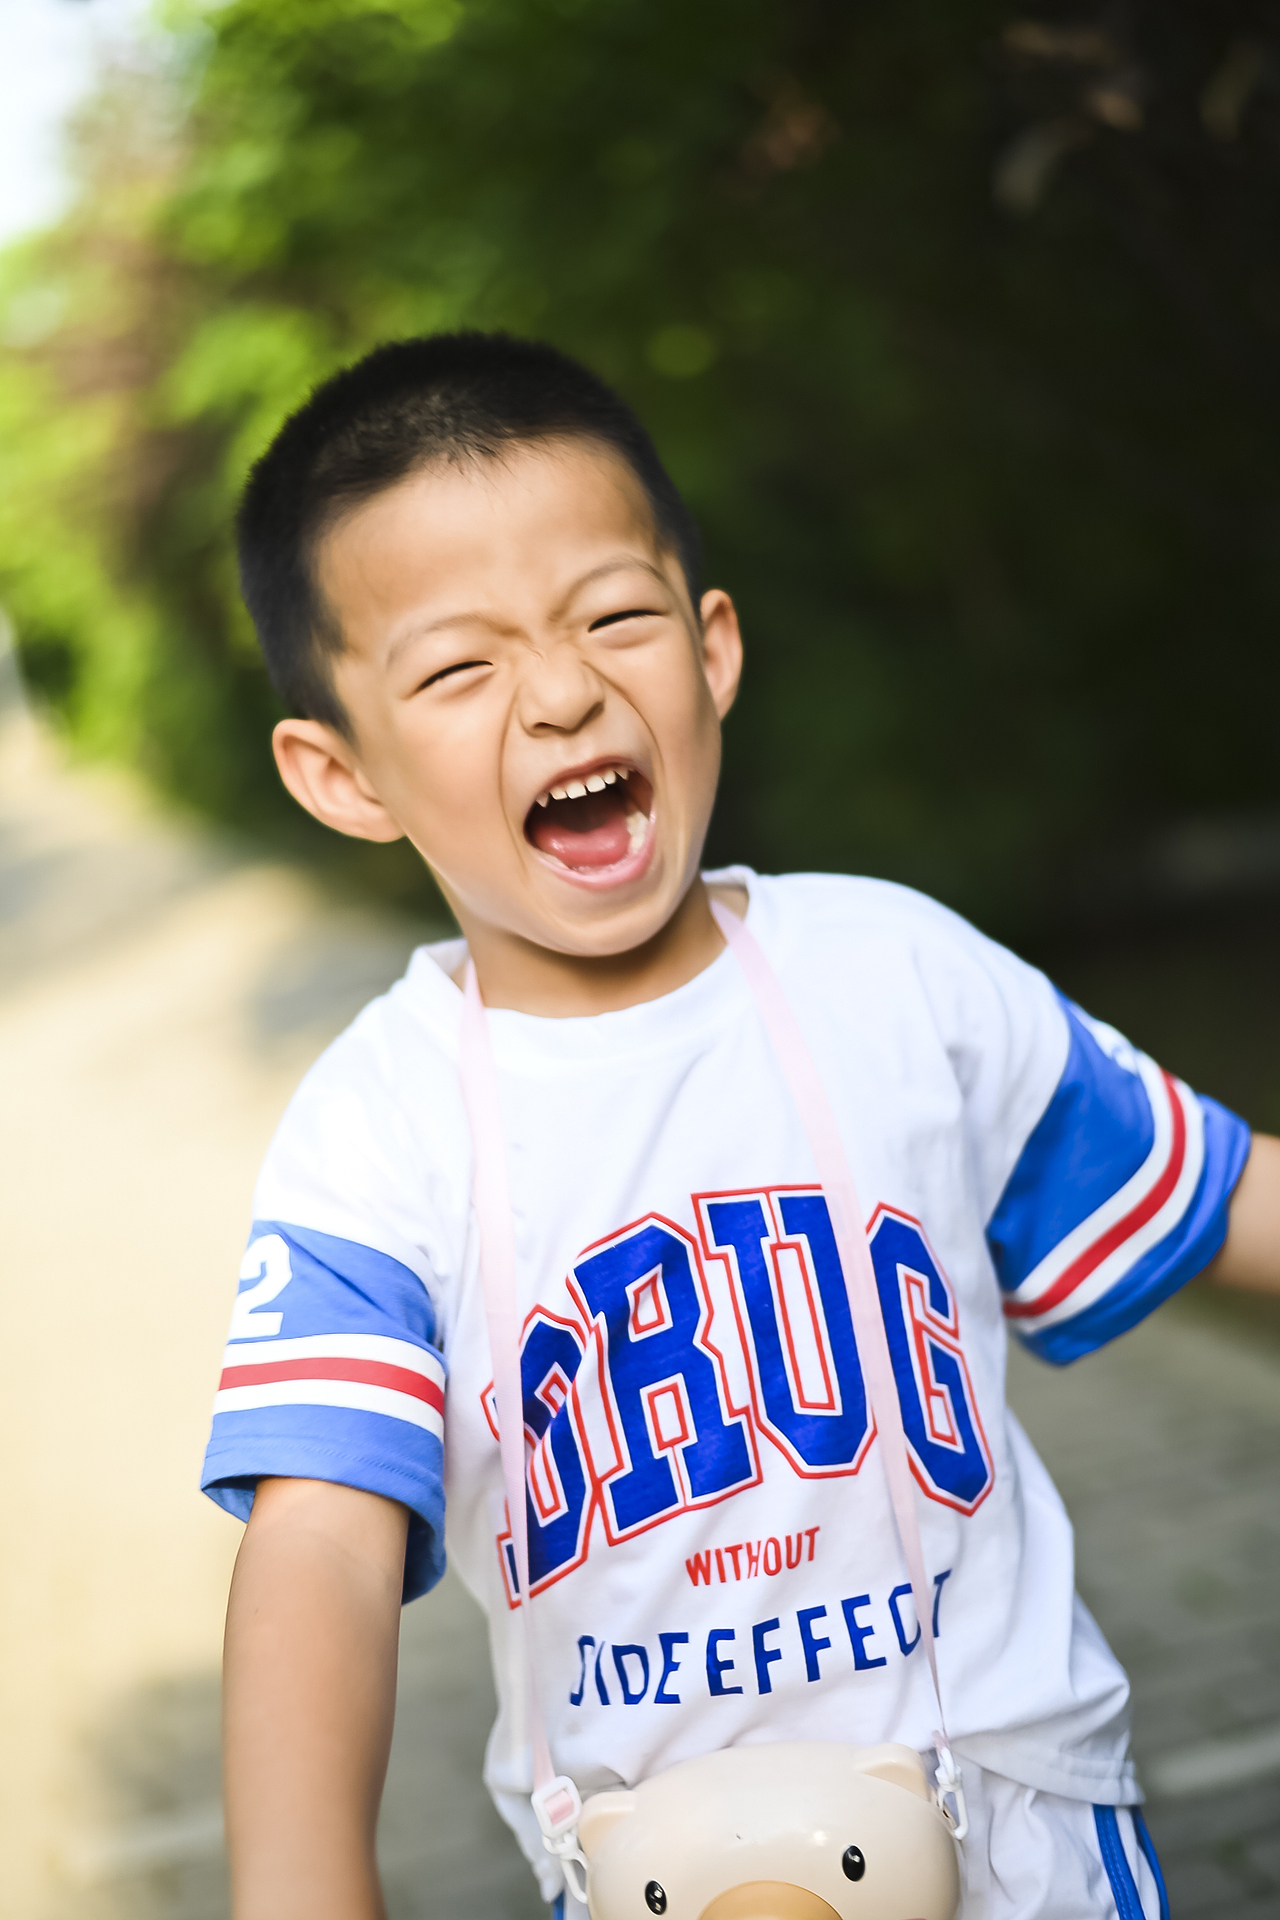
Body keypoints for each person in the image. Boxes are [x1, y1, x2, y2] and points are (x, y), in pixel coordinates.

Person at [201, 331, 1280, 1920]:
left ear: (711, 651)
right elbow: (324, 1551)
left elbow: (1227, 1200)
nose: (562, 691)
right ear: (343, 774)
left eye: (612, 617)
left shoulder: (895, 974)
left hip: (1026, 1846)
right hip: (657, 1874)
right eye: (458, 668)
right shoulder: (376, 1130)